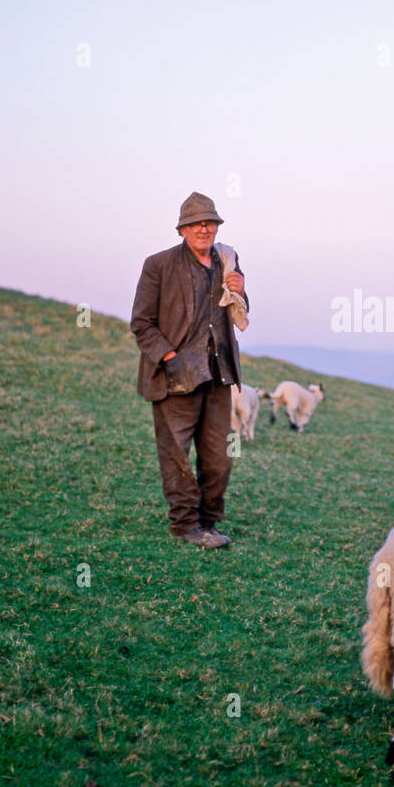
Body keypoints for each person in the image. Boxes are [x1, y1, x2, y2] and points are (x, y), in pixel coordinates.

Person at [130, 192, 249, 548]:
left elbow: (235, 309)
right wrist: (170, 359)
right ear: (182, 229)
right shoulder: (159, 265)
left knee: (218, 457)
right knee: (176, 455)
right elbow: (142, 323)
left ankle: (209, 523)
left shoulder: (228, 260)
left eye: (210, 222)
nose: (204, 228)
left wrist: (243, 289)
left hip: (217, 374)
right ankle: (185, 526)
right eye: (196, 223)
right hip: (174, 377)